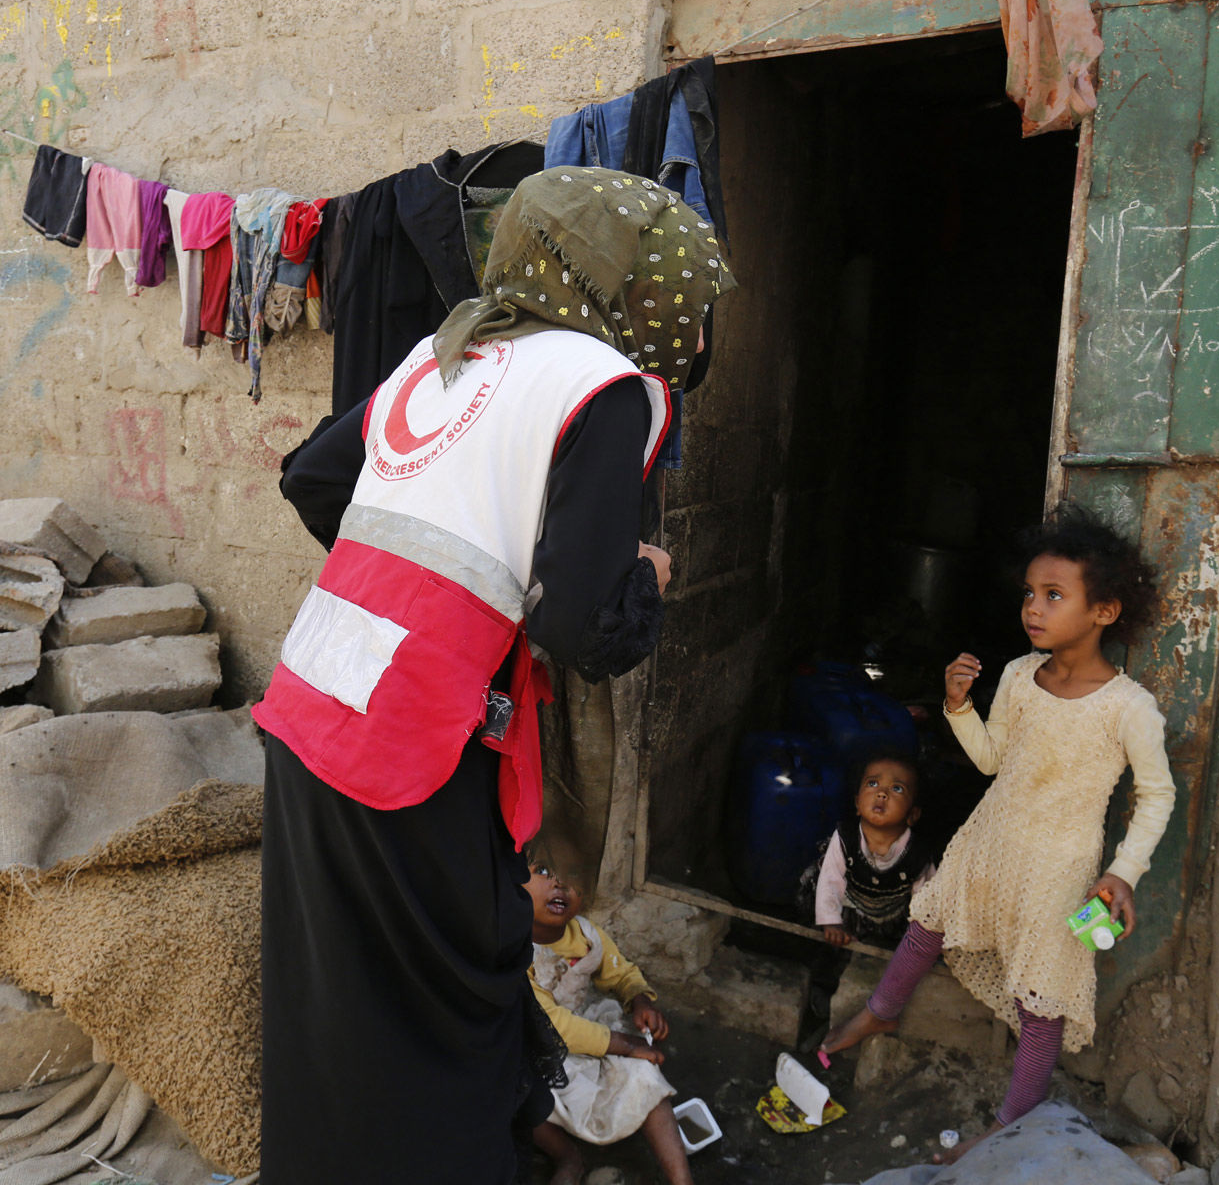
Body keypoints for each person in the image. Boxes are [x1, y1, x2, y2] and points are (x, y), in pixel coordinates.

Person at [253, 166, 735, 1185]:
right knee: (455, 1003)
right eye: (685, 306)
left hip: (313, 697)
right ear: (631, 288)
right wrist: (645, 579)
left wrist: (417, 575)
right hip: (413, 740)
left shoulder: (451, 355)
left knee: (337, 1006)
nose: (692, 339)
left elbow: (312, 476)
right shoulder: (611, 388)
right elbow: (584, 626)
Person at [818, 507, 1176, 1163]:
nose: (1034, 608)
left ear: (1104, 612)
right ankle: (883, 1008)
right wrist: (957, 706)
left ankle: (1012, 1121)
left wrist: (1122, 870)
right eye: (1030, 594)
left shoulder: (1129, 708)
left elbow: (1158, 796)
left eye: (1055, 596)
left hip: (1059, 866)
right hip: (989, 839)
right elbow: (990, 762)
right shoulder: (1017, 676)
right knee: (928, 922)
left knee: (1040, 996)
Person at [524, 858, 695, 1185]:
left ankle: (682, 1180)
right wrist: (628, 1046)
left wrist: (639, 999)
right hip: (533, 1048)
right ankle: (568, 1158)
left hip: (584, 1035)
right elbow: (554, 1025)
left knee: (646, 1076)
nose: (560, 883)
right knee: (511, 1092)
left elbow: (621, 973)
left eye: (573, 873)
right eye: (544, 871)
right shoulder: (514, 952)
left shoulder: (587, 936)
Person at [805, 753, 939, 948]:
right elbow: (830, 880)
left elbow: (927, 900)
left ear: (912, 814)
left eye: (897, 788)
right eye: (873, 784)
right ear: (858, 803)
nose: (882, 793)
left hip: (889, 919)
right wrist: (831, 922)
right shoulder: (845, 837)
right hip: (847, 909)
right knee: (830, 948)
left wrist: (923, 937)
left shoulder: (917, 855)